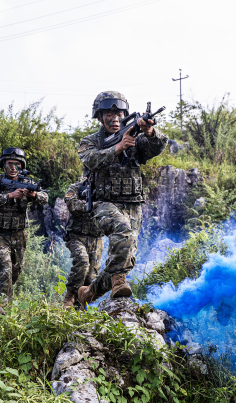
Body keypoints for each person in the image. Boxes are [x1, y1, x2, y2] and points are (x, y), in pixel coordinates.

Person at [77, 91, 168, 307]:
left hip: (133, 204)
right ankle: (118, 284)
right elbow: (89, 159)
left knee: (125, 256)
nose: (115, 117)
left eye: (118, 113)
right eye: (109, 113)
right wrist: (118, 147)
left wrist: (149, 131)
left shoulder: (136, 138)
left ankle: (89, 293)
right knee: (123, 232)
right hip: (103, 203)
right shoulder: (90, 141)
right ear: (99, 116)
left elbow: (158, 147)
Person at [0, 147, 48, 297]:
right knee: (5, 269)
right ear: (3, 164)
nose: (13, 168)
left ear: (22, 165)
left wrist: (34, 195)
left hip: (19, 234)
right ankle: (4, 309)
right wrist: (10, 195)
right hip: (0, 234)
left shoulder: (27, 181)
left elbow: (44, 198)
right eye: (9, 163)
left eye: (17, 164)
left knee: (15, 272)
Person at [62, 178, 104, 308]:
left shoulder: (106, 189)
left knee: (91, 277)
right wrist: (91, 205)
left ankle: (81, 308)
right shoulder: (76, 187)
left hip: (96, 239)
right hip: (77, 236)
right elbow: (72, 205)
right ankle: (69, 296)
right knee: (82, 262)